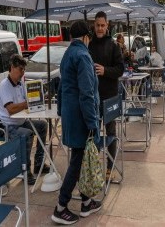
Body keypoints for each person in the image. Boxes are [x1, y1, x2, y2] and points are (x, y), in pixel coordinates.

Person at [52, 21, 101, 225]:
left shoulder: (68, 54)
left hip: (71, 117)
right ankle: (60, 207)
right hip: (82, 118)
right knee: (78, 162)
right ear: (86, 37)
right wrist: (92, 122)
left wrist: (61, 111)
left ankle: (86, 201)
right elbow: (87, 93)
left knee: (80, 160)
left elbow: (62, 87)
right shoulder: (82, 55)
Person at [0, 54, 48, 186]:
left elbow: (29, 103)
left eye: (24, 70)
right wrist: (28, 103)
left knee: (42, 125)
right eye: (20, 69)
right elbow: (11, 109)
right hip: (6, 126)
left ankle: (38, 163)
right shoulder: (4, 85)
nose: (22, 72)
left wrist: (39, 99)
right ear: (12, 68)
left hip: (20, 122)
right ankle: (25, 170)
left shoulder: (20, 84)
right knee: (27, 134)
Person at [89, 11, 124, 180]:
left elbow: (120, 69)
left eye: (103, 25)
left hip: (109, 97)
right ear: (94, 26)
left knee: (110, 133)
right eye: (98, 25)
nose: (100, 28)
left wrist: (105, 71)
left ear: (107, 26)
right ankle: (93, 165)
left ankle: (110, 167)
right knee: (93, 133)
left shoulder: (113, 45)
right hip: (93, 98)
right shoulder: (88, 44)